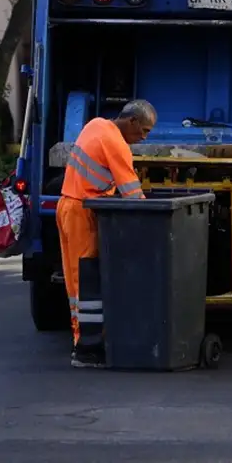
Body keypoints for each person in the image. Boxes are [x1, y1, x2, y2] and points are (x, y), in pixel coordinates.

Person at [58, 99, 156, 368]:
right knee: (85, 281)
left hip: (67, 204)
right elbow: (133, 194)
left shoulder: (95, 125)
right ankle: (86, 349)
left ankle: (81, 339)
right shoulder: (116, 144)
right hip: (83, 212)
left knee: (74, 280)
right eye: (144, 130)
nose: (144, 137)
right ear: (132, 121)